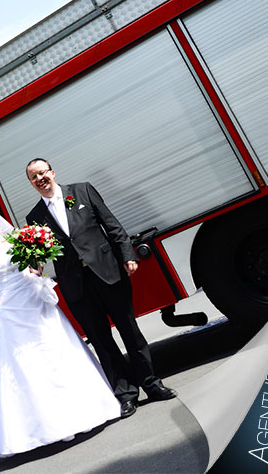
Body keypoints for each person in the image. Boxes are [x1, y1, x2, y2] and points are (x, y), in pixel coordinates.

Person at [0, 199, 120, 457]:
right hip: (13, 313)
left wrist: (38, 268)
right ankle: (49, 426)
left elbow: (36, 263)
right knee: (29, 366)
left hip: (35, 302)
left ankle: (82, 412)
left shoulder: (17, 240)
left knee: (56, 354)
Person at [24, 158, 177, 419]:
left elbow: (112, 224)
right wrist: (33, 265)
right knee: (102, 342)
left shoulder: (82, 190)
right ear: (31, 183)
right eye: (33, 177)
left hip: (108, 273)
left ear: (52, 172)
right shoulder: (34, 217)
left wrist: (127, 254)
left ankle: (152, 384)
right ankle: (125, 395)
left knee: (130, 331)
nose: (40, 179)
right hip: (77, 286)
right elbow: (38, 256)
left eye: (42, 173)